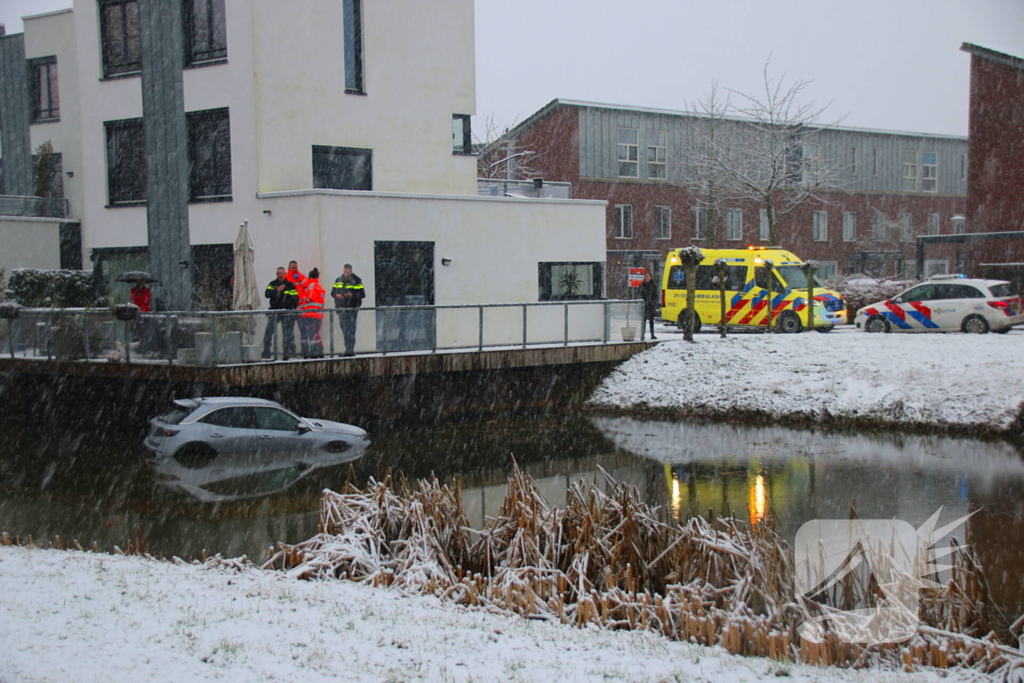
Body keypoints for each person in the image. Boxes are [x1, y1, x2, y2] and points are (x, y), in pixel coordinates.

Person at [262, 266, 299, 360]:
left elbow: (295, 298)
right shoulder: (273, 283)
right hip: (274, 311)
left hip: (285, 312)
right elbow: (267, 294)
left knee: (286, 333)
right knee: (269, 331)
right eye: (277, 273)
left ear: (284, 274)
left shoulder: (290, 285)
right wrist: (277, 290)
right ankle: (266, 350)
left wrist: (289, 306)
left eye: (281, 274)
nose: (279, 275)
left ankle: (286, 352)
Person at [332, 263, 365, 356]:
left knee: (351, 330)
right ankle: (348, 349)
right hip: (342, 309)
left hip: (352, 309)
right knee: (344, 329)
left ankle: (350, 349)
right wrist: (337, 295)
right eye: (345, 272)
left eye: (348, 272)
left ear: (351, 271)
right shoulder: (338, 280)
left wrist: (352, 295)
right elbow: (332, 292)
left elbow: (362, 294)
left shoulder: (357, 281)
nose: (346, 274)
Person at [298, 268, 326, 358]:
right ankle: (318, 351)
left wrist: (303, 298)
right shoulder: (319, 287)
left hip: (309, 314)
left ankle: (309, 352)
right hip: (318, 315)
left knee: (309, 334)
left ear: (309, 277)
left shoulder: (311, 285)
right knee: (315, 333)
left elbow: (310, 298)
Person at [638, 271, 659, 340]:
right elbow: (639, 294)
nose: (646, 278)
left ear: (651, 277)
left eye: (648, 276)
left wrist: (653, 302)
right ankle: (642, 334)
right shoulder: (642, 285)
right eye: (646, 276)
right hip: (643, 305)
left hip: (651, 305)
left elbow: (655, 295)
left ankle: (652, 334)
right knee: (643, 321)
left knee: (651, 320)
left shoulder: (653, 285)